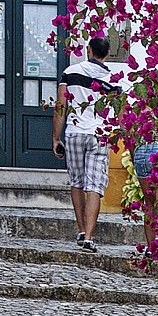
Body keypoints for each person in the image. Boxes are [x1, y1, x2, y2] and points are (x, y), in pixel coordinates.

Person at [52, 35, 114, 248]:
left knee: (77, 182)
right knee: (94, 185)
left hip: (75, 133)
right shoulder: (113, 79)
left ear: (89, 50)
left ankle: (80, 230)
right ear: (106, 54)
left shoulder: (70, 73)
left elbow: (61, 106)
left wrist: (55, 138)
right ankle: (89, 237)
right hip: (99, 134)